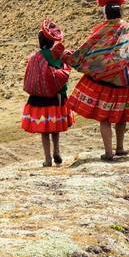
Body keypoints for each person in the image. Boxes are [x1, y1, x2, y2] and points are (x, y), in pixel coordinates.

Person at [55, 0, 129, 161]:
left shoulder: (101, 31)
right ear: (120, 11)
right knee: (122, 116)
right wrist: (127, 65)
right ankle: (120, 148)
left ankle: (108, 152)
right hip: (124, 79)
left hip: (102, 80)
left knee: (104, 118)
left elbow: (86, 50)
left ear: (106, 13)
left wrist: (70, 58)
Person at [21, 19, 74, 166]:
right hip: (56, 97)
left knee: (44, 130)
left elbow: (30, 77)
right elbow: (62, 73)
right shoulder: (56, 56)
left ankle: (47, 159)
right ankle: (57, 151)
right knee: (55, 127)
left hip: (39, 98)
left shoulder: (34, 58)